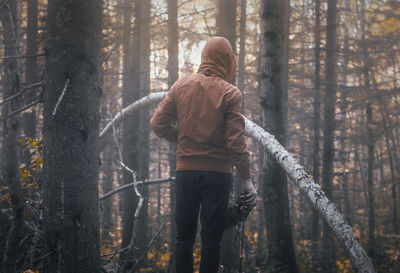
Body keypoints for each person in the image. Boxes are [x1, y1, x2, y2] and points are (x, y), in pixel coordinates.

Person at [150, 36, 257, 273]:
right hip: (218, 175)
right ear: (229, 61)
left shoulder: (180, 86)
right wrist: (247, 181)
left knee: (183, 240)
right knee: (211, 242)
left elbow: (158, 123)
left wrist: (182, 137)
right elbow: (235, 141)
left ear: (205, 58)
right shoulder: (231, 93)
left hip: (186, 173)